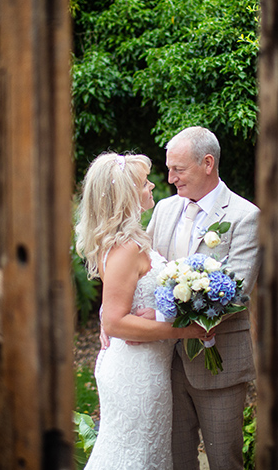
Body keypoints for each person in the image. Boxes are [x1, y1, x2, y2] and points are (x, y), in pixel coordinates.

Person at [75, 152, 213, 470]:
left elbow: (124, 302)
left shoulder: (135, 238)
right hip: (134, 370)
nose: (153, 184)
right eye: (144, 182)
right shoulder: (126, 248)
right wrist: (185, 329)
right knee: (130, 455)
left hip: (150, 366)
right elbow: (114, 321)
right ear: (127, 194)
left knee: (148, 454)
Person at [147, 127, 260, 470]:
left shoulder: (245, 216)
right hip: (165, 362)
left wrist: (181, 321)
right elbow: (145, 271)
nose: (171, 178)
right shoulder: (165, 210)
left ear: (207, 163)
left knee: (224, 461)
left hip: (218, 362)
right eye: (169, 168)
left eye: (178, 169)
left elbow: (237, 291)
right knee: (177, 460)